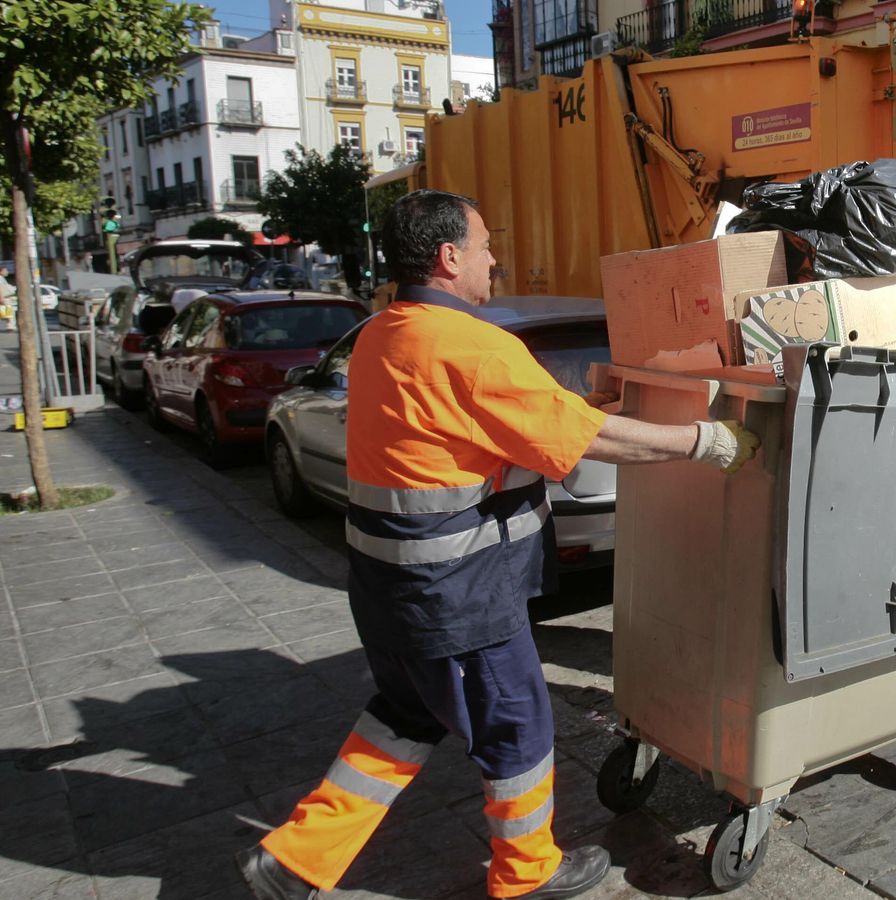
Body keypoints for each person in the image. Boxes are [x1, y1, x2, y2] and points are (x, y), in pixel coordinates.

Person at [236, 189, 759, 900]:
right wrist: (706, 441)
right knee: (517, 723)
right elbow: (588, 444)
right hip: (459, 596)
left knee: (404, 716)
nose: (495, 259)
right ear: (450, 257)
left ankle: (296, 859)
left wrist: (582, 407)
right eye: (484, 246)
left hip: (390, 591)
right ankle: (526, 873)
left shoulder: (384, 334)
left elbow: (486, 429)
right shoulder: (472, 346)